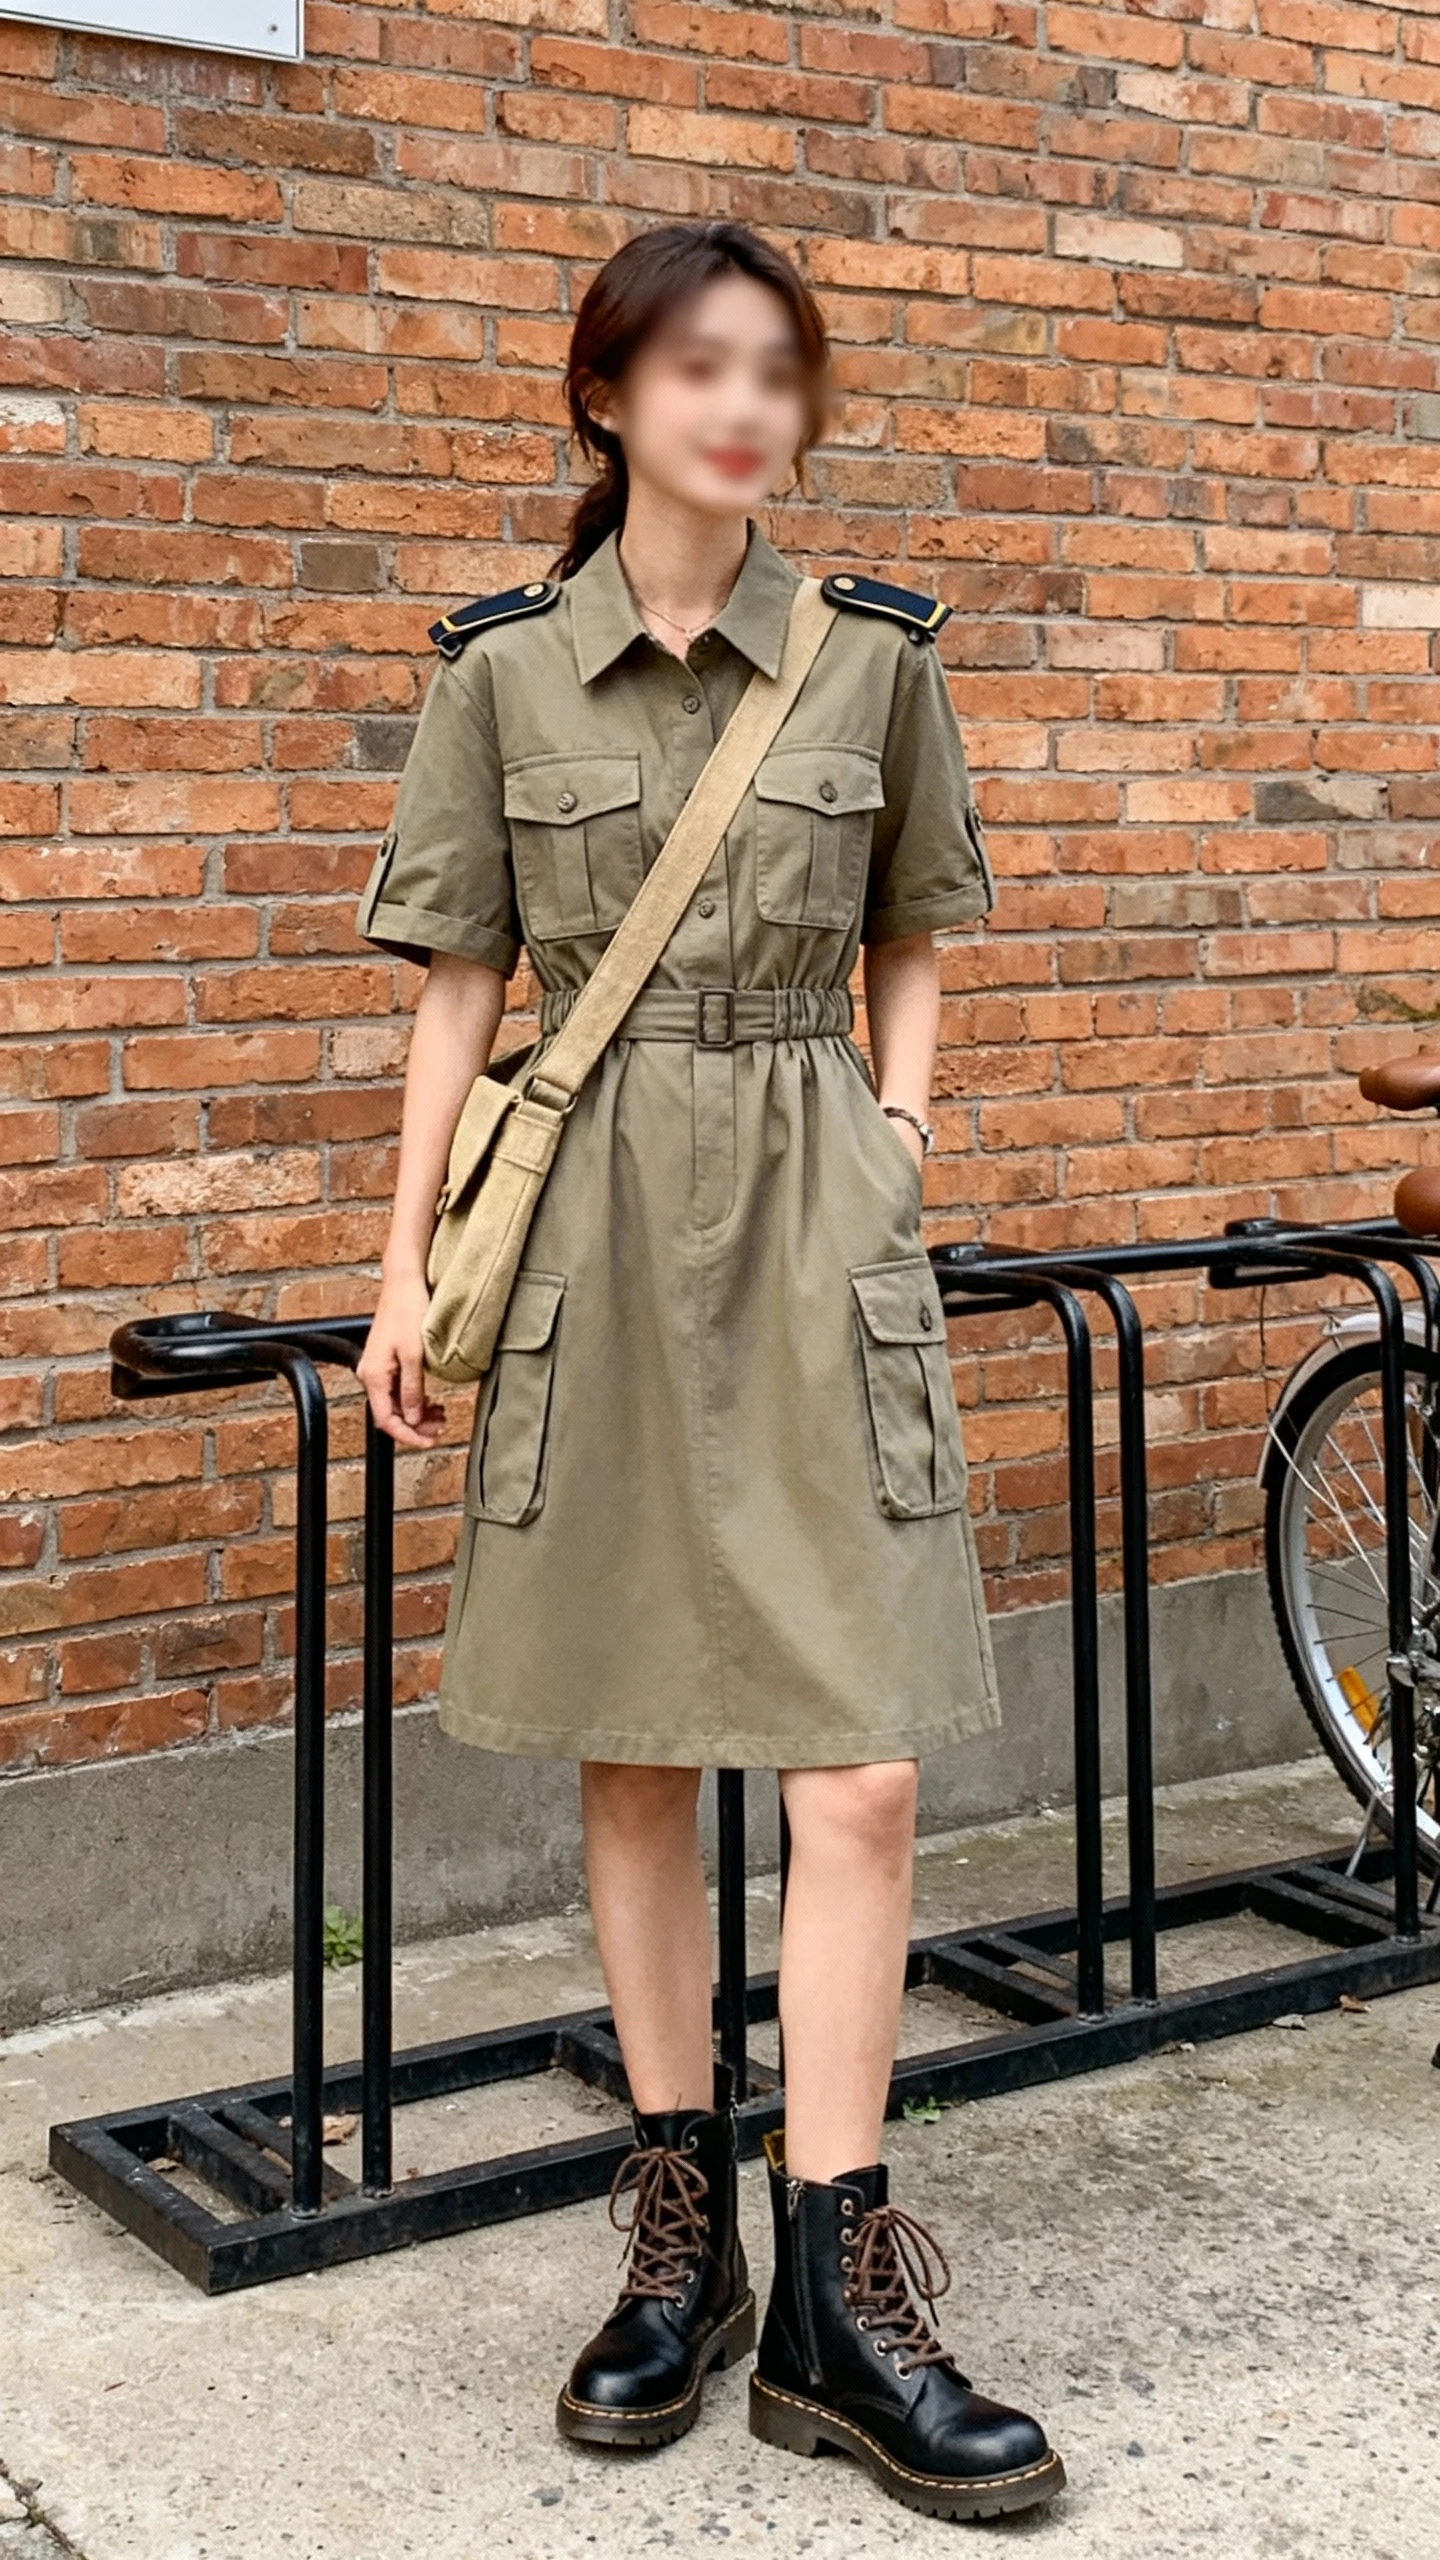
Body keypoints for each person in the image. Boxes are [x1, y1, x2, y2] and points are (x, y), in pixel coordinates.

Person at [355, 217, 1065, 2524]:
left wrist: (899, 1135)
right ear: (609, 399)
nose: (747, 405)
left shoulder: (870, 665)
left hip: (807, 1217)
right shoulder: (502, 677)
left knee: (856, 1771)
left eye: (776, 371)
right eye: (699, 367)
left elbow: (919, 925)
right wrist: (403, 1270)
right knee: (640, 1744)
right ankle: (684, 2238)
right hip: (581, 1242)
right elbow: (457, 989)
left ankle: (845, 2282)